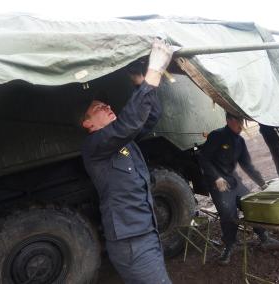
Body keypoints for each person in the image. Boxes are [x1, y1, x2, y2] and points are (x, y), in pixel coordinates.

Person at [81, 39, 173, 284]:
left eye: (107, 103)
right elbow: (128, 124)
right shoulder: (95, 147)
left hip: (145, 234)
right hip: (132, 244)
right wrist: (154, 72)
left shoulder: (123, 142)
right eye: (99, 107)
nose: (108, 106)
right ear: (88, 124)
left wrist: (139, 81)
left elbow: (150, 117)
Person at [199, 112, 279, 265]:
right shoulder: (217, 136)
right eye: (238, 121)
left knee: (252, 204)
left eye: (242, 121)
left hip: (234, 181)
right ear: (228, 120)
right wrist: (216, 177)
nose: (241, 125)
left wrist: (262, 183)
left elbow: (247, 165)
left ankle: (264, 238)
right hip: (218, 183)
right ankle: (229, 246)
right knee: (228, 213)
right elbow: (203, 158)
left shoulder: (240, 141)